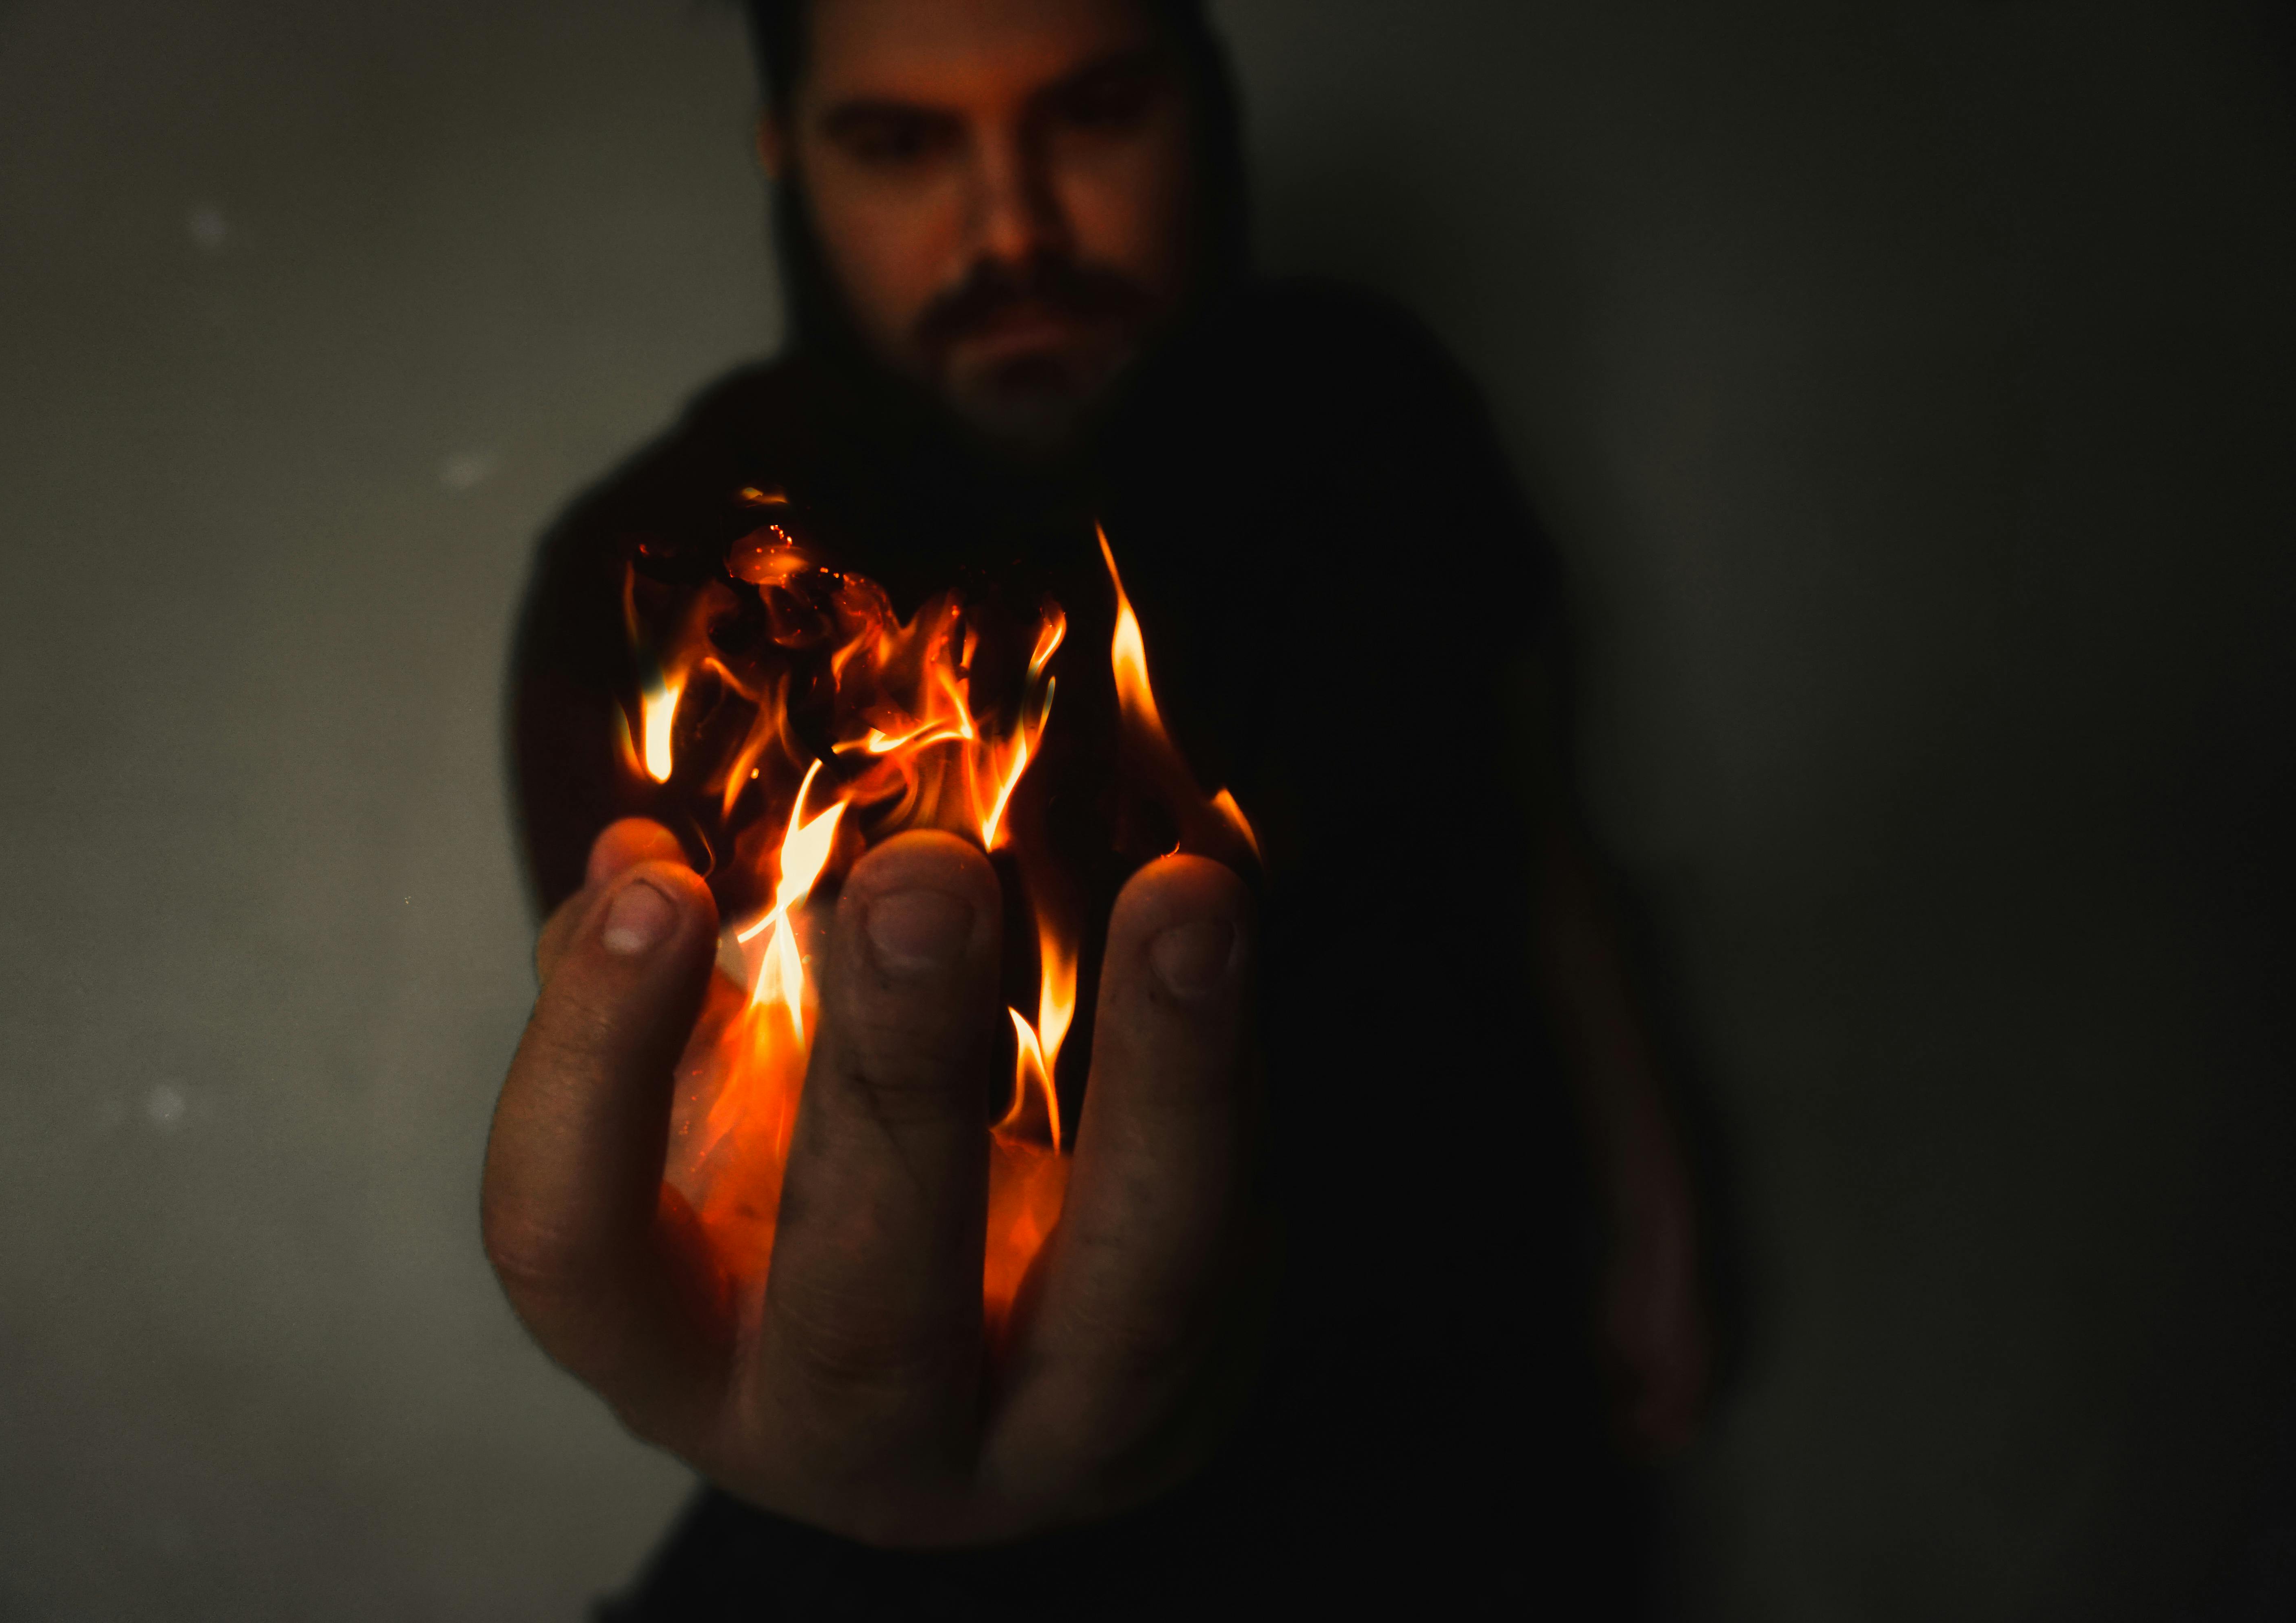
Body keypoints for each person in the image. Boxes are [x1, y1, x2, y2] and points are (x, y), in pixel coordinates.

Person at [486, 0, 1710, 1614]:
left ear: (1205, 106)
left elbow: (1519, 807)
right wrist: (850, 1459)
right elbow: (703, 1157)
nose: (1015, 228)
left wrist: (1650, 1195)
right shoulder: (667, 590)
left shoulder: (1365, 413)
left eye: (1096, 112)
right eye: (901, 143)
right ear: (790, 161)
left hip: (1452, 1410)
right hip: (963, 1484)